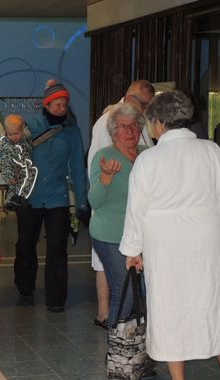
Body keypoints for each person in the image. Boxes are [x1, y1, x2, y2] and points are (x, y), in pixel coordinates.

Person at [120, 90, 220, 380]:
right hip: (206, 236)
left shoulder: (149, 159)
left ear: (159, 122)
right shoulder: (211, 151)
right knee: (212, 301)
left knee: (168, 307)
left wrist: (132, 249)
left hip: (163, 239)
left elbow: (136, 208)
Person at [86, 80, 155, 329]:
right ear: (114, 131)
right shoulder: (104, 157)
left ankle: (134, 357)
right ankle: (117, 357)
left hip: (142, 236)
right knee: (124, 293)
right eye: (124, 127)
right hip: (111, 234)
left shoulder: (148, 154)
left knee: (140, 297)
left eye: (135, 126)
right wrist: (106, 178)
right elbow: (94, 200)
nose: (131, 131)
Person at [16, 80, 88, 313]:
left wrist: (83, 201)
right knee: (26, 244)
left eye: (64, 104)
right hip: (30, 196)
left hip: (58, 197)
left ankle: (56, 298)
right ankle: (25, 288)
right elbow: (15, 155)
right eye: (56, 104)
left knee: (57, 247)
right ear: (46, 104)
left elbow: (77, 166)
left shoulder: (72, 132)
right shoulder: (30, 126)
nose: (60, 108)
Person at [0, 114, 34, 210]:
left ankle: (19, 198)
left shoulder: (25, 140)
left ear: (22, 131)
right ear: (6, 132)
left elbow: (28, 147)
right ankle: (13, 200)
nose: (13, 137)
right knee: (15, 184)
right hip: (12, 168)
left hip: (23, 164)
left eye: (16, 134)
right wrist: (9, 176)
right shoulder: (6, 145)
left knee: (27, 177)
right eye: (10, 134)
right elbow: (4, 163)